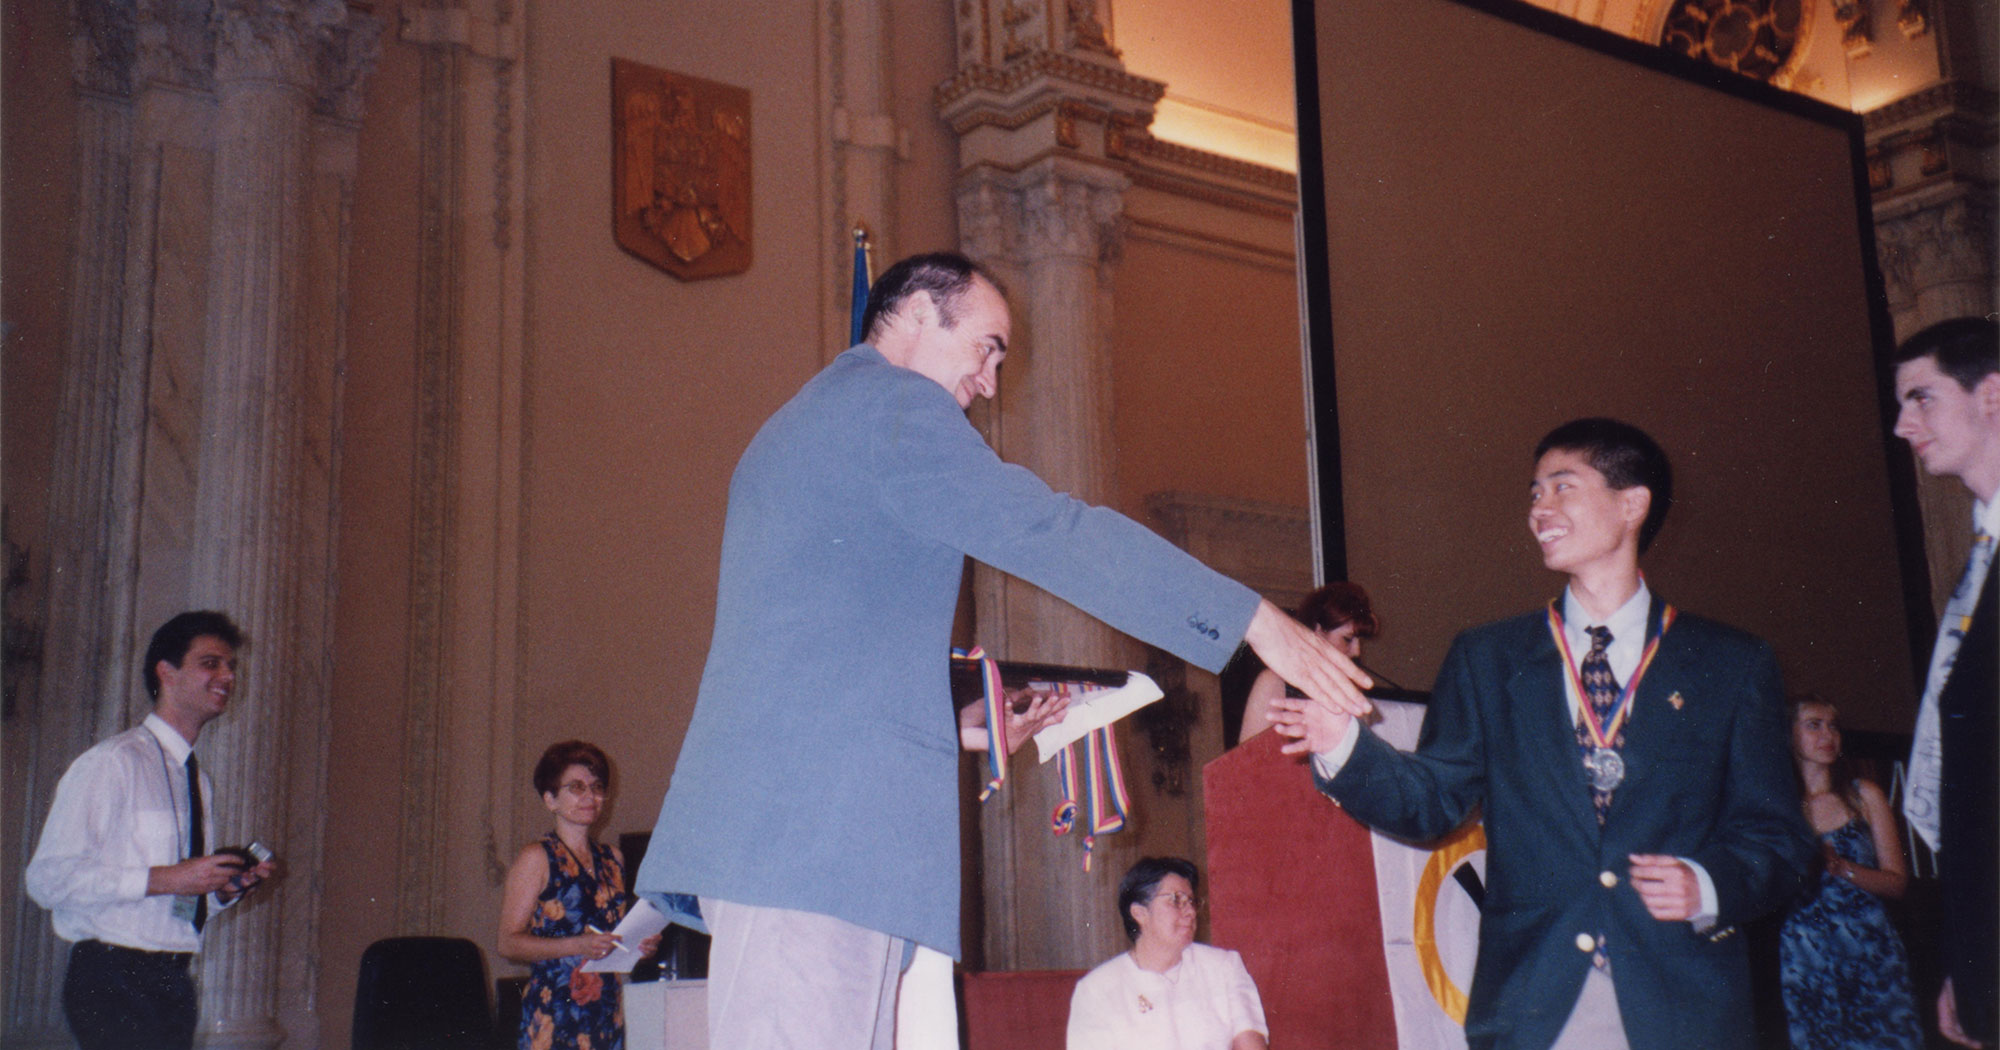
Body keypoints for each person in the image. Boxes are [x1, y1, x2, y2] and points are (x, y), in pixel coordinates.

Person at [632, 250, 1372, 1050]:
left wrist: (955, 727)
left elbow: (815, 651)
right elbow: (1050, 530)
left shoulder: (824, 419)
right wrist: (1254, 620)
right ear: (917, 315)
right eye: (987, 346)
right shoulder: (891, 408)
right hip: (816, 854)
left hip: (805, 845)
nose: (990, 380)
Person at [1271, 418, 1815, 1050]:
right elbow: (1430, 803)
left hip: (1682, 1002)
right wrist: (1343, 742)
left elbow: (1780, 838)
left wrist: (1710, 883)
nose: (1540, 509)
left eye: (1563, 487)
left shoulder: (1731, 663)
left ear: (1632, 504)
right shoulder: (1488, 658)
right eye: (1534, 493)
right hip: (1536, 1002)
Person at [25, 611, 278, 1050]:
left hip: (171, 981)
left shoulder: (196, 780)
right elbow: (46, 880)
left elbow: (172, 908)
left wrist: (218, 893)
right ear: (167, 672)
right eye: (211, 663)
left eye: (231, 666)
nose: (227, 676)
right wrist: (169, 878)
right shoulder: (112, 763)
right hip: (112, 978)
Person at [1890, 316, 2000, 1048]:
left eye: (1921, 398)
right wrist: (1972, 961)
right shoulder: (1980, 559)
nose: (1902, 425)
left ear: (1991, 395)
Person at [1779, 695, 1923, 1049]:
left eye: (1833, 726)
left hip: (1870, 951)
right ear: (1788, 733)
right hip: (1805, 955)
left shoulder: (1864, 796)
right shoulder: (1778, 809)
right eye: (1814, 724)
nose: (1828, 734)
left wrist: (1843, 869)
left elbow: (1897, 883)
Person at [499, 740, 661, 1050]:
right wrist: (577, 945)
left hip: (605, 1010)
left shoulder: (614, 859)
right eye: (576, 787)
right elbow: (507, 943)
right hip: (554, 1011)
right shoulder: (536, 858)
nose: (589, 796)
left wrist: (638, 945)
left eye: (597, 787)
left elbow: (612, 939)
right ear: (550, 799)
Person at [1067, 856, 1268, 1050]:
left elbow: (1250, 1043)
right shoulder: (1097, 990)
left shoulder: (1223, 967)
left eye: (1191, 901)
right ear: (1139, 913)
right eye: (1176, 900)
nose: (1190, 911)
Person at [1238, 582, 1379, 743]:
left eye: (1360, 642)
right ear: (1318, 631)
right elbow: (1247, 760)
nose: (1357, 651)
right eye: (1348, 639)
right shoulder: (1273, 682)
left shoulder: (1351, 691)